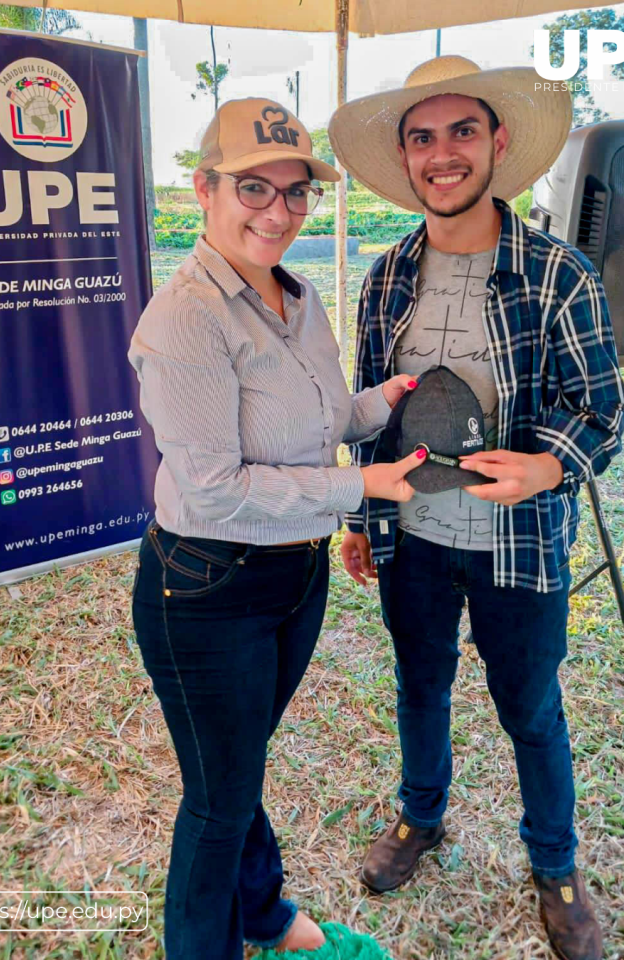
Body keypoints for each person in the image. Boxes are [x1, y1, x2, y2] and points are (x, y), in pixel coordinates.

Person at [329, 57, 624, 960]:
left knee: (530, 708)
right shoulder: (387, 279)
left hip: (520, 546)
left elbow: (604, 406)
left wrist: (547, 470)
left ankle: (557, 868)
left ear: (498, 145)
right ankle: (421, 817)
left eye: (463, 131)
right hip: (413, 540)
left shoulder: (557, 274)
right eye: (422, 137)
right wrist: (359, 516)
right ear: (406, 159)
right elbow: (369, 408)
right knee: (419, 687)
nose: (442, 154)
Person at [127, 98, 425, 960]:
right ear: (204, 189)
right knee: (218, 801)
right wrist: (360, 483)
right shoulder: (186, 318)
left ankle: (260, 916)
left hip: (294, 577)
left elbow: (325, 418)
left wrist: (387, 400)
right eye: (253, 187)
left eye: (297, 192)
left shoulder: (297, 297)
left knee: (236, 767)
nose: (278, 210)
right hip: (208, 587)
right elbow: (215, 489)